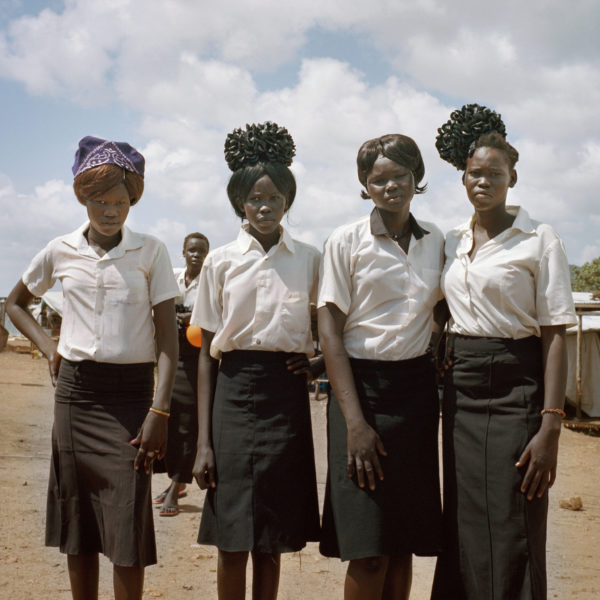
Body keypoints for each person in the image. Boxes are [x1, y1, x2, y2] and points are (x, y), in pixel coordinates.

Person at [6, 136, 179, 600]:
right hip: (76, 396)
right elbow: (16, 304)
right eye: (100, 201)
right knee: (78, 521)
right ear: (83, 198)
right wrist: (48, 347)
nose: (110, 211)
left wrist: (159, 410)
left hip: (131, 398)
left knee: (128, 522)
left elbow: (168, 337)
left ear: (132, 201)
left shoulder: (151, 251)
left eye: (120, 201)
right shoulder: (60, 249)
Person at [430, 104, 577, 600]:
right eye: (475, 173)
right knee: (466, 520)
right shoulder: (450, 241)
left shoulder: (539, 239)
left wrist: (551, 422)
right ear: (463, 178)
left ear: (513, 176)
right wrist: (442, 343)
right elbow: (434, 303)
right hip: (461, 395)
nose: (484, 181)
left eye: (495, 172)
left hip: (517, 386)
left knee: (514, 518)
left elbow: (556, 331)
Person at [191, 121, 322, 599]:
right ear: (238, 205)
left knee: (273, 534)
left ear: (288, 202)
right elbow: (206, 353)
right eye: (254, 200)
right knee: (232, 535)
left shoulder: (309, 258)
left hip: (285, 398)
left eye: (275, 199)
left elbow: (334, 325)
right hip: (233, 391)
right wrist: (204, 442)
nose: (264, 207)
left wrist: (317, 364)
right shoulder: (220, 262)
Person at [318, 133, 445, 600]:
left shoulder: (437, 242)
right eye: (378, 180)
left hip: (413, 395)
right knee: (368, 549)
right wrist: (354, 422)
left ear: (417, 178)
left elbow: (446, 307)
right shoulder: (345, 241)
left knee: (403, 544)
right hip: (359, 393)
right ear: (364, 186)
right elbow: (329, 331)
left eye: (400, 176)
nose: (390, 186)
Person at [153, 232, 210, 517]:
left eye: (201, 251)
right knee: (170, 419)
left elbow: (218, 317)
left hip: (195, 358)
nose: (196, 255)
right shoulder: (172, 278)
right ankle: (174, 481)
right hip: (170, 356)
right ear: (183, 252)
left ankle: (177, 485)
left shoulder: (211, 283)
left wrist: (194, 319)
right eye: (191, 250)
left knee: (188, 423)